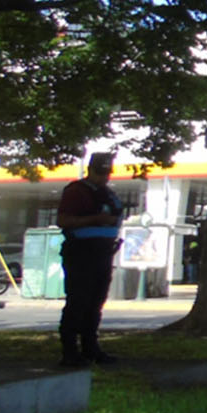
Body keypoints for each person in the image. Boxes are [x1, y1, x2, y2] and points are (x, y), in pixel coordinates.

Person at [56, 153, 124, 366]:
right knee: (78, 301)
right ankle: (70, 352)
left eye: (107, 173)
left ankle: (90, 348)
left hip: (103, 253)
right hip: (80, 253)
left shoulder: (108, 193)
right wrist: (95, 219)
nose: (105, 177)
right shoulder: (76, 191)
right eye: (100, 172)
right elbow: (63, 220)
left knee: (96, 302)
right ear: (91, 170)